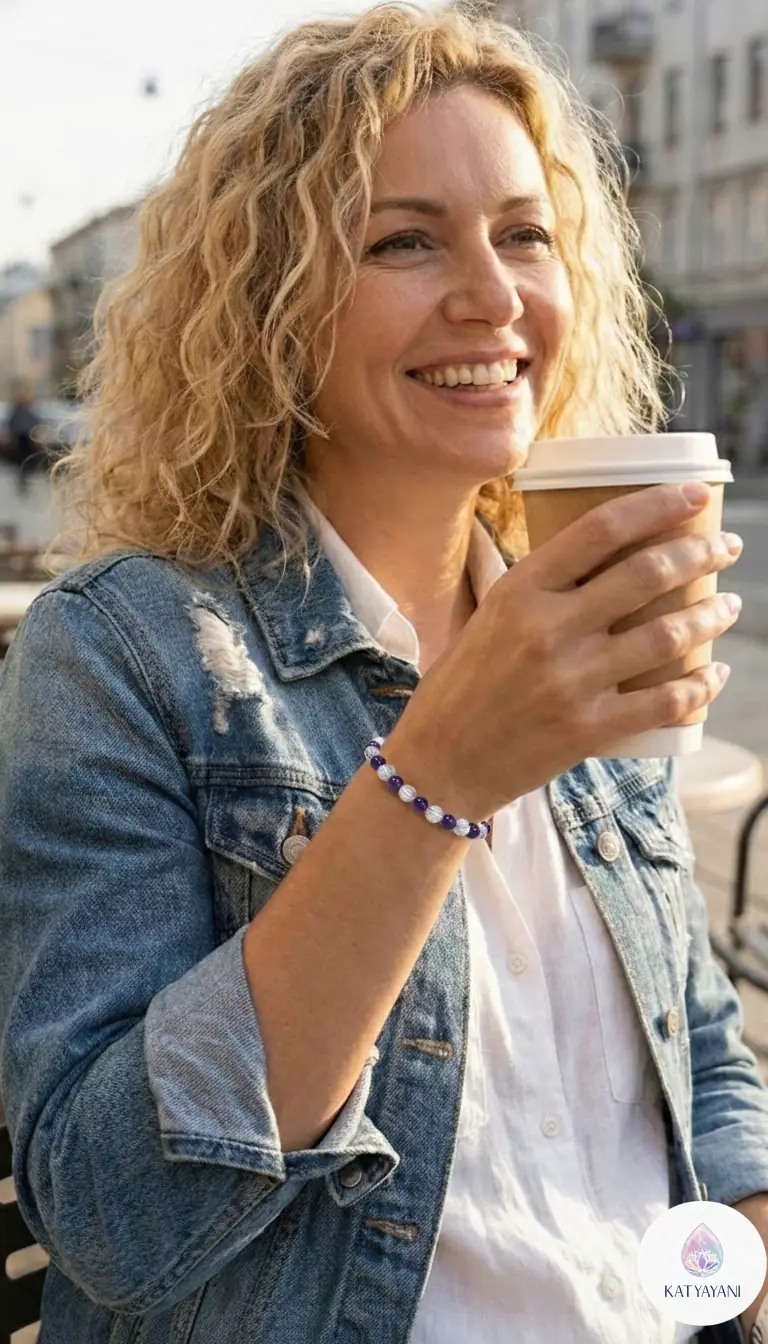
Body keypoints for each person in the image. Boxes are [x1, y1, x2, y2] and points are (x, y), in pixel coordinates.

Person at [0, 6, 766, 1343]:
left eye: (524, 233)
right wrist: (438, 772)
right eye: (404, 239)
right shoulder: (122, 651)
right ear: (268, 305)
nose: (493, 293)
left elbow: (691, 1041)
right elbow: (110, 1212)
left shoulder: (572, 612)